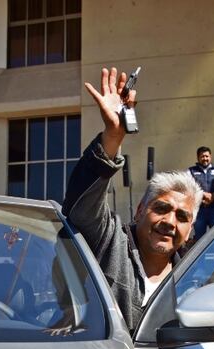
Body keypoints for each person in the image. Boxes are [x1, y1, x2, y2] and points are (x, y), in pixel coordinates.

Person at [61, 67, 202, 330]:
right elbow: (82, 205)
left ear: (190, 229)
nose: (170, 221)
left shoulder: (195, 280)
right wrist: (113, 138)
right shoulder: (109, 242)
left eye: (182, 216)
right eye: (161, 208)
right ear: (139, 211)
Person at [187, 147, 214, 241]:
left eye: (207, 156)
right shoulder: (191, 171)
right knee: (200, 239)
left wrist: (212, 197)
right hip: (199, 210)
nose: (205, 158)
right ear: (198, 158)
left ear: (210, 157)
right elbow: (188, 187)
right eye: (202, 156)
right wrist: (203, 194)